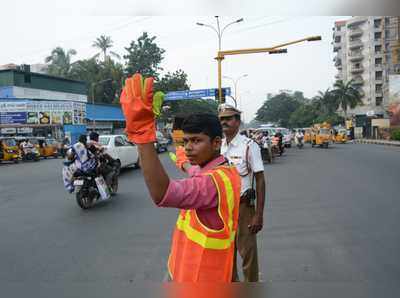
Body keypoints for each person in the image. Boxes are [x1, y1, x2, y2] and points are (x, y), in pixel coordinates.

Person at [119, 73, 241, 282]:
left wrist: (143, 136)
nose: (189, 147)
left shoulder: (210, 184)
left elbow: (162, 193)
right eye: (186, 141)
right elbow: (196, 171)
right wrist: (184, 162)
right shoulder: (226, 171)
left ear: (216, 142)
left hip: (198, 279)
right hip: (188, 270)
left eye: (196, 141)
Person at [218, 104, 266, 282]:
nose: (224, 122)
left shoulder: (249, 146)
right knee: (225, 256)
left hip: (243, 208)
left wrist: (258, 215)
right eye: (222, 119)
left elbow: (260, 179)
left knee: (248, 255)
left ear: (238, 122)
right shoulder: (218, 146)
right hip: (222, 210)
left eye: (229, 118)